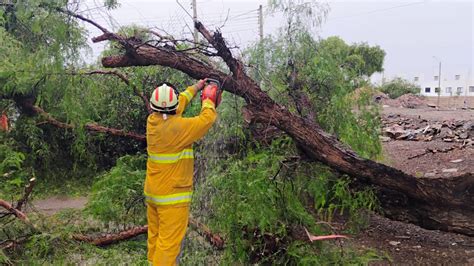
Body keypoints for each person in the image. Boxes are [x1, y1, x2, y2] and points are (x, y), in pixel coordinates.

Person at [145, 79, 220, 265]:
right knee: (168, 247)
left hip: (154, 194)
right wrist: (208, 100)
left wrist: (196, 88)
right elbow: (207, 119)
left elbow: (177, 106)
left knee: (155, 240)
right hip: (172, 199)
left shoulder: (153, 121)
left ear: (154, 107)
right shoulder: (178, 128)